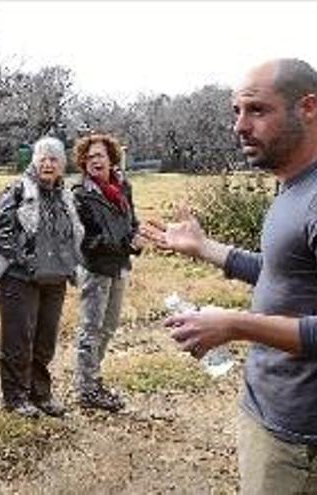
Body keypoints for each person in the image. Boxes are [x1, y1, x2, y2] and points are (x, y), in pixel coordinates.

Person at [141, 58, 317, 494]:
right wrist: (206, 248)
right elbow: (286, 273)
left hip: (300, 440)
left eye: (256, 110)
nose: (240, 125)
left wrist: (235, 324)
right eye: (236, 111)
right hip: (272, 413)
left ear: (308, 108)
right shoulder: (294, 186)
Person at [0, 136, 82, 418]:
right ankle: (15, 398)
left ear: (62, 165)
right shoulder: (16, 191)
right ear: (34, 162)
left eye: (54, 159)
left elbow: (73, 235)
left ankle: (41, 394)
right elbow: (1, 234)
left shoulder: (66, 196)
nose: (48, 164)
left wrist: (73, 266)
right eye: (43, 158)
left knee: (45, 340)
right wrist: (28, 263)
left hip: (55, 278)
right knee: (18, 339)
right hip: (18, 277)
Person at [72, 133, 142, 412]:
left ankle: (93, 380)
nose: (94, 161)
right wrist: (125, 243)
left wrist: (137, 239)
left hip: (119, 266)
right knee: (91, 329)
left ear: (112, 158)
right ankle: (87, 389)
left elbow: (131, 222)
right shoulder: (80, 195)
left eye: (99, 155)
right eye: (88, 158)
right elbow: (84, 241)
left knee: (109, 327)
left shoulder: (123, 187)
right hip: (95, 269)